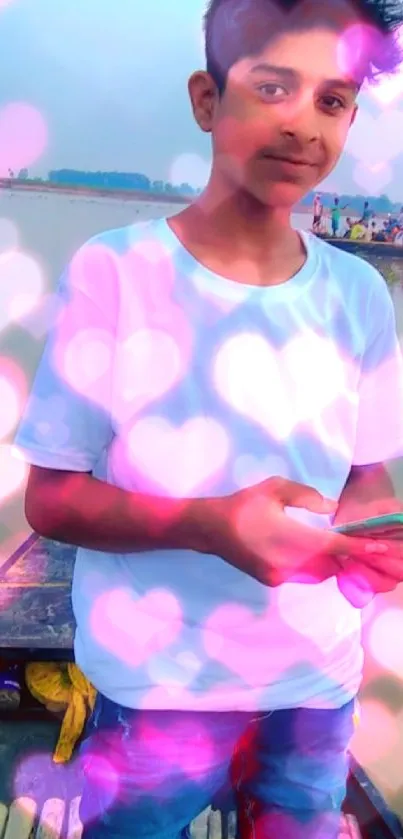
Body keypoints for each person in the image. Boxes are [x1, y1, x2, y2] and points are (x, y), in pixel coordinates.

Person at [15, 1, 403, 838]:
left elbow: (363, 474)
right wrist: (210, 525)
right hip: (160, 690)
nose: (303, 125)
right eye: (273, 88)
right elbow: (51, 499)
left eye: (332, 100)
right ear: (206, 99)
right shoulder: (116, 271)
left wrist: (376, 542)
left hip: (316, 683)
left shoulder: (360, 294)